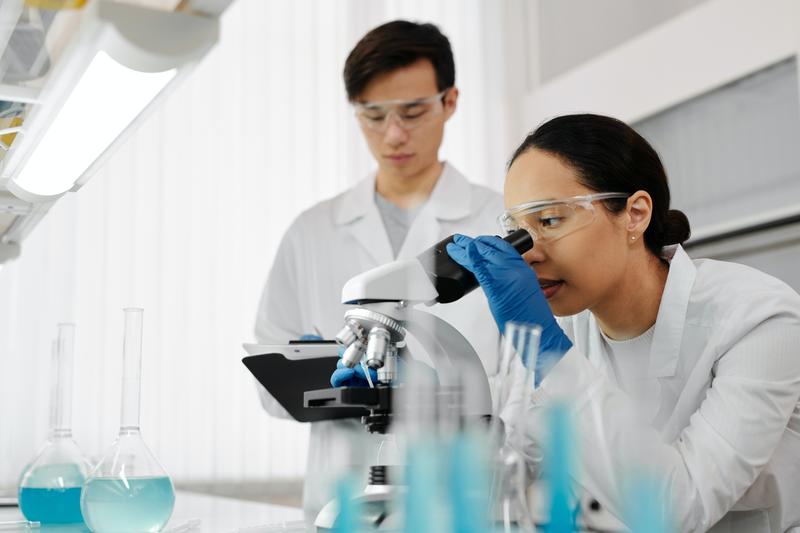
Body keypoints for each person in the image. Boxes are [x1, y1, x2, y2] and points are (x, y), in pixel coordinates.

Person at [446, 114, 800, 532]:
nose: (528, 254)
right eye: (518, 231)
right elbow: (512, 474)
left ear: (635, 214)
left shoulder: (759, 319)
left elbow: (676, 509)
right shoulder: (565, 328)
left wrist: (547, 354)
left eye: (550, 220)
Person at [254, 20, 503, 520]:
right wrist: (319, 375)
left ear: (450, 101)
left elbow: (538, 380)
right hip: (340, 500)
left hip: (461, 500)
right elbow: (267, 383)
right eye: (373, 115)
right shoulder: (312, 231)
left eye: (412, 112)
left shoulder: (497, 223)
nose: (393, 134)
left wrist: (439, 388)